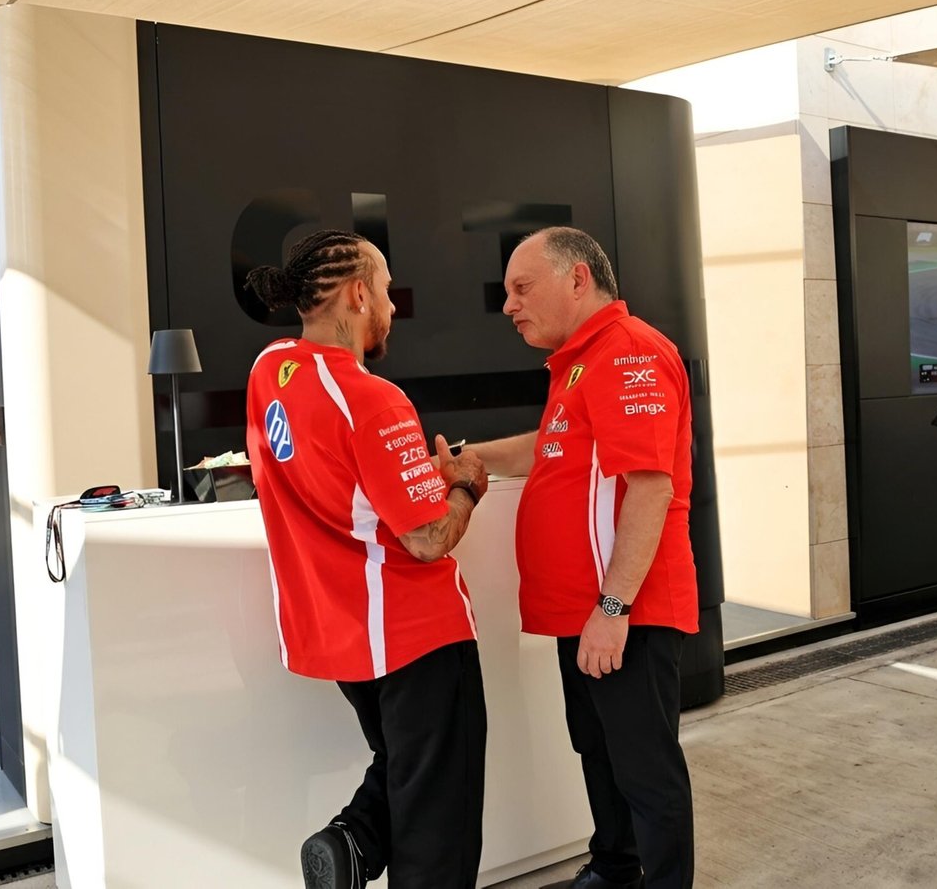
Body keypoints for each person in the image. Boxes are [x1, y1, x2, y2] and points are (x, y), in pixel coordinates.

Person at [241, 230, 490, 889]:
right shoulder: (374, 398)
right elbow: (427, 539)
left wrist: (415, 479)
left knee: (409, 767)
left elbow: (345, 488)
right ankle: (356, 839)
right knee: (440, 820)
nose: (392, 304)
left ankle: (352, 842)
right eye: (384, 288)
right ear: (357, 294)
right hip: (418, 636)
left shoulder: (269, 371)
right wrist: (464, 485)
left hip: (345, 641)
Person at [466, 227, 697, 889]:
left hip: (626, 612)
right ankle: (616, 869)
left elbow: (651, 487)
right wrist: (471, 457)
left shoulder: (628, 352)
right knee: (600, 752)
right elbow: (548, 445)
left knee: (646, 769)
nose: (509, 305)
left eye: (521, 287)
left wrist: (613, 608)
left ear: (577, 279)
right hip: (588, 612)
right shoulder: (580, 361)